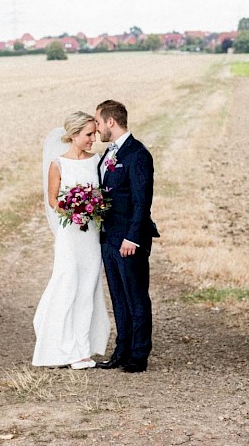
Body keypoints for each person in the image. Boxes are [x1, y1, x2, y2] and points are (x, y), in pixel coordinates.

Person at [32, 112, 111, 369]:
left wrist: (92, 207)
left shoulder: (97, 161)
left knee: (89, 287)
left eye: (94, 134)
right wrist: (72, 210)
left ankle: (82, 349)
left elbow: (101, 194)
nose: (92, 139)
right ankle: (59, 346)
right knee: (67, 285)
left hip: (91, 235)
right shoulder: (59, 164)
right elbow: (53, 199)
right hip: (69, 235)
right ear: (74, 135)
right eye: (88, 134)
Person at [94, 100, 158, 373]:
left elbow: (143, 201)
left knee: (136, 297)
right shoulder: (109, 153)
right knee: (118, 298)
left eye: (98, 123)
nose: (96, 129)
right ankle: (122, 350)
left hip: (129, 240)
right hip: (108, 238)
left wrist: (132, 238)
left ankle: (139, 354)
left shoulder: (138, 154)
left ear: (111, 122)